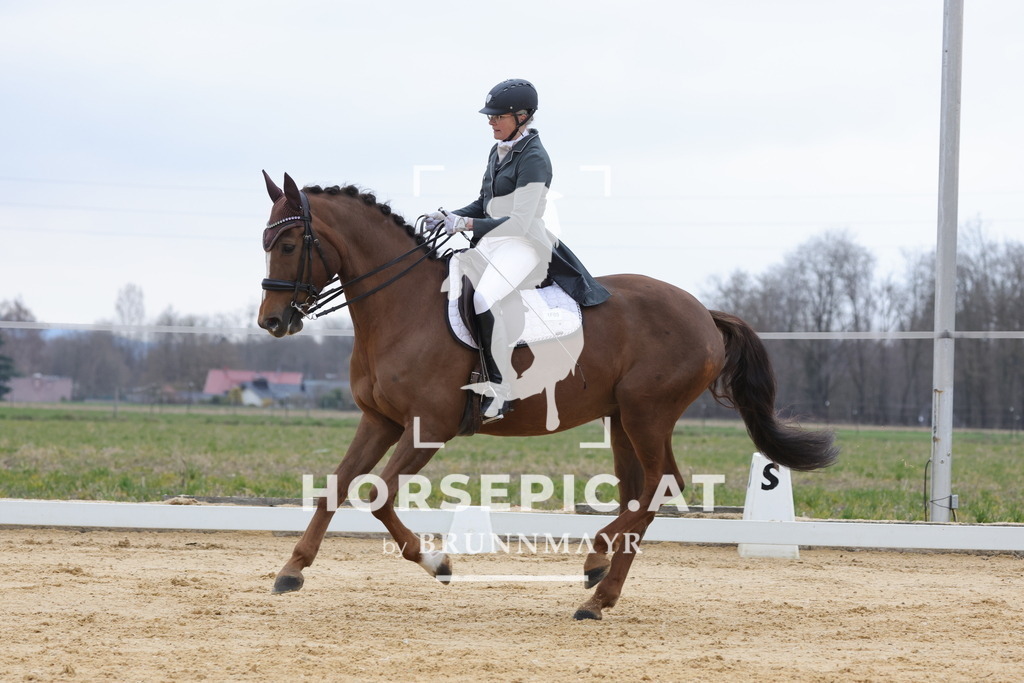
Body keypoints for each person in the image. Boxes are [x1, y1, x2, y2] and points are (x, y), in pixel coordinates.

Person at [429, 78, 610, 423]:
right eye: (490, 116)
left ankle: (501, 388)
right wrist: (451, 216)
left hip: (525, 244)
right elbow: (485, 203)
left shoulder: (535, 158)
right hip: (493, 240)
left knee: (484, 299)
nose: (491, 121)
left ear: (522, 117)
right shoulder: (498, 151)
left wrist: (465, 226)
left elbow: (521, 221)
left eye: (498, 116)